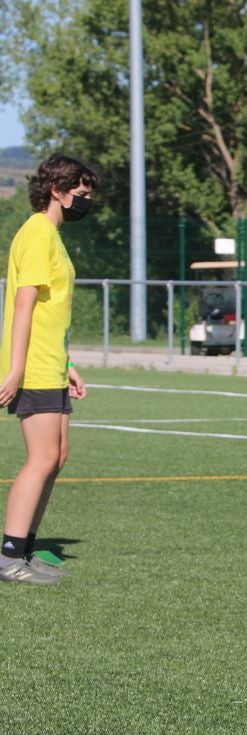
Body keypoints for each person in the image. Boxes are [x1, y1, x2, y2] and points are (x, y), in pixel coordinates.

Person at [0, 153, 96, 585]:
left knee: (57, 457)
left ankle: (28, 547)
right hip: (35, 366)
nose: (86, 198)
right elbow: (24, 305)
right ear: (56, 190)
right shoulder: (37, 233)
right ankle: (9, 557)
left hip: (52, 365)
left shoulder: (51, 236)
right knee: (40, 459)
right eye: (80, 190)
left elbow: (50, 311)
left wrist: (69, 364)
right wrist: (16, 367)